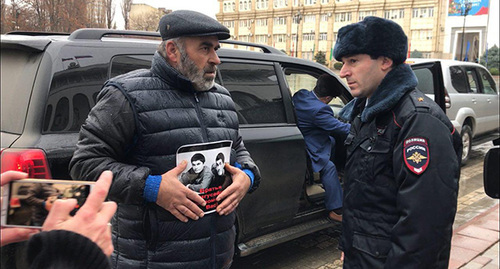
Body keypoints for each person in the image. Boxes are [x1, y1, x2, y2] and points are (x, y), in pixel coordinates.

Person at [69, 10, 261, 269]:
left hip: (217, 255)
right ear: (173, 50)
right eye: (205, 48)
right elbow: (85, 164)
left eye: (216, 48)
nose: (216, 59)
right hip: (151, 259)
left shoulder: (222, 99)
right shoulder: (126, 95)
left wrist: (246, 176)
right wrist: (152, 187)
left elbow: (236, 146)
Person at [333, 16, 462, 268]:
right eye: (343, 62)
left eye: (354, 61)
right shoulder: (366, 112)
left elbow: (423, 226)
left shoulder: (417, 120)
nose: (343, 72)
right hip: (364, 257)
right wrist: (349, 247)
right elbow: (365, 199)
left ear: (385, 61)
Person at [1, 170, 116, 269]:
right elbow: (29, 198)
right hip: (39, 217)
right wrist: (78, 256)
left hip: (51, 218)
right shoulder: (38, 186)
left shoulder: (53, 188)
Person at [292, 74, 351, 222]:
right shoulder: (320, 110)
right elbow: (339, 128)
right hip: (308, 145)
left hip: (300, 135)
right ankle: (336, 209)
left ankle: (328, 178)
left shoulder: (301, 94)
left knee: (331, 141)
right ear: (328, 98)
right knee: (329, 167)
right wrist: (360, 128)